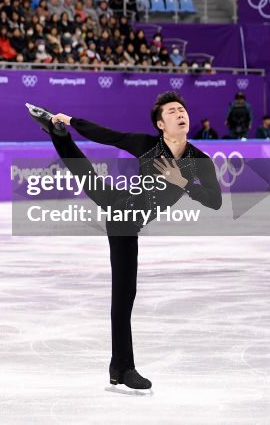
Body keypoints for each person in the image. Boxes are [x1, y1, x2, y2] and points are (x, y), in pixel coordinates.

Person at [25, 94, 222, 392]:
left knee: (89, 179)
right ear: (161, 124)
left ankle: (118, 367)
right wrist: (72, 120)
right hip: (123, 217)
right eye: (172, 111)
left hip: (125, 206)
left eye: (182, 109)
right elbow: (108, 136)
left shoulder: (199, 162)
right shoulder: (147, 146)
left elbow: (215, 202)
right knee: (125, 294)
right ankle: (124, 366)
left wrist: (182, 182)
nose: (180, 113)